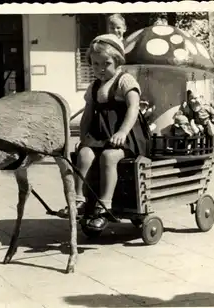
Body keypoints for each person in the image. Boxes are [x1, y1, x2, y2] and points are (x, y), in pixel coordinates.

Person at [64, 34, 151, 230]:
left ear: (118, 61)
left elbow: (133, 108)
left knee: (109, 156)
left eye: (106, 63)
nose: (100, 69)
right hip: (101, 135)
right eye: (95, 64)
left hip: (127, 137)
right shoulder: (94, 86)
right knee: (84, 154)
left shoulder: (125, 80)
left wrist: (121, 132)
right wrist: (84, 138)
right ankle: (79, 200)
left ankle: (104, 206)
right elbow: (87, 115)